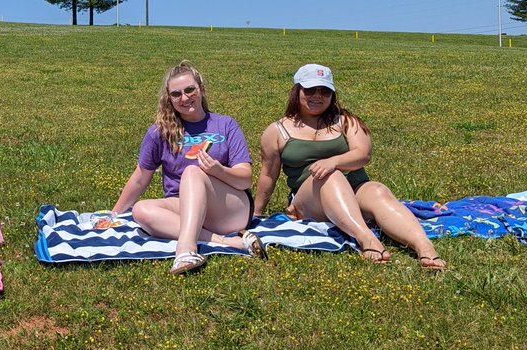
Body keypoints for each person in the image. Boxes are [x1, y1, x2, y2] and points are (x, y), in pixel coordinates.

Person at [254, 64, 446, 270]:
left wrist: (334, 161)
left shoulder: (346, 121)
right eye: (310, 90)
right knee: (330, 176)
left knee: (378, 190)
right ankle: (367, 240)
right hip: (310, 200)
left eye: (325, 91)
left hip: (355, 189)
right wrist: (256, 215)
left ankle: (425, 248)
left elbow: (363, 155)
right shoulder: (277, 131)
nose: (317, 96)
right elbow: (268, 174)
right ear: (297, 91)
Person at [112, 61, 261, 275]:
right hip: (184, 208)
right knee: (141, 210)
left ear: (200, 88)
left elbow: (245, 179)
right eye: (176, 94)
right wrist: (113, 215)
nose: (184, 97)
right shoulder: (159, 133)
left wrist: (218, 171)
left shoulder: (226, 125)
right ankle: (228, 243)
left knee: (192, 171)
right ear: (169, 99)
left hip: (230, 208)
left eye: (190, 89)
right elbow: (140, 178)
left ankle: (185, 249)